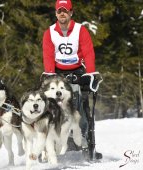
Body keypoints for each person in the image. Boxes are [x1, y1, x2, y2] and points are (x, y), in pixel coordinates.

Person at [42, 0, 102, 160]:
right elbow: (48, 54)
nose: (62, 13)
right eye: (59, 11)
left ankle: (82, 137)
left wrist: (90, 73)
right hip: (57, 71)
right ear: (56, 13)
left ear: (71, 13)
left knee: (79, 99)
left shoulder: (80, 30)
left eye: (65, 10)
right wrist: (49, 74)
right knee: (51, 101)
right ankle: (49, 143)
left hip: (77, 70)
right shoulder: (49, 32)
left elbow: (88, 52)